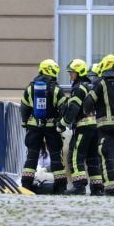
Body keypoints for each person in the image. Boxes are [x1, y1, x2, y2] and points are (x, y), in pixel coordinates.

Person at [83, 54, 114, 196]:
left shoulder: (101, 84)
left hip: (106, 127)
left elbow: (88, 103)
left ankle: (111, 189)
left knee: (106, 156)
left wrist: (91, 111)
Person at [20, 59, 68, 194]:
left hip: (34, 126)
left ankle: (26, 186)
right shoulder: (57, 89)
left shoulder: (30, 88)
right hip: (51, 128)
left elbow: (24, 108)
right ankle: (60, 187)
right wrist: (60, 123)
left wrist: (25, 123)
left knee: (32, 156)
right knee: (56, 156)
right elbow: (64, 107)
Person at [57, 59, 103, 196]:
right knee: (93, 158)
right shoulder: (92, 86)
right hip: (96, 127)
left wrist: (62, 124)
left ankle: (79, 186)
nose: (70, 75)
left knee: (75, 156)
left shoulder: (79, 88)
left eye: (72, 73)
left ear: (80, 72)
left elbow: (73, 108)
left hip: (83, 127)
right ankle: (97, 188)